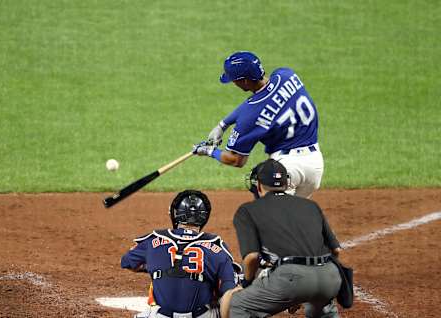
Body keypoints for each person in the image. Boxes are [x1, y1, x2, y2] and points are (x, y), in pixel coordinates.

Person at [221, 159, 343, 318]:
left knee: (237, 305)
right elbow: (336, 250)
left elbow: (252, 257)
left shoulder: (248, 210)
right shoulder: (310, 206)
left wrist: (247, 284)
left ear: (257, 185)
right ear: (287, 183)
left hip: (291, 280)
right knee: (320, 303)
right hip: (330, 278)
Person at [192, 51, 323, 198]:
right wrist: (223, 124)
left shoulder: (249, 117)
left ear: (245, 81)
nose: (234, 83)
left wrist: (209, 151)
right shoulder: (286, 75)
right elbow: (259, 101)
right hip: (315, 164)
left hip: (287, 168)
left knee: (271, 216)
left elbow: (236, 160)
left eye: (234, 80)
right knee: (296, 215)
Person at [121, 190, 239, 318]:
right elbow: (229, 292)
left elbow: (127, 262)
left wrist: (157, 265)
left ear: (176, 214)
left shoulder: (153, 240)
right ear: (204, 217)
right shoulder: (217, 246)